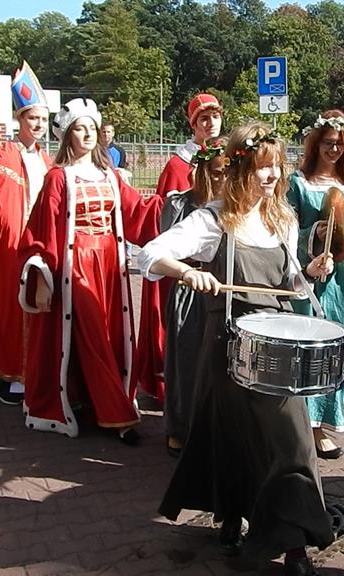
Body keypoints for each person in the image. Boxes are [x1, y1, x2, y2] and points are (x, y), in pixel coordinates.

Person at [145, 122, 336, 576]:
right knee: (227, 434)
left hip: (277, 345)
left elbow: (291, 286)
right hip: (227, 343)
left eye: (277, 166)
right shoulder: (214, 219)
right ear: (240, 167)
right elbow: (149, 254)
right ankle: (230, 514)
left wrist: (310, 272)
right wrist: (187, 271)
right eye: (262, 166)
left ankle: (294, 544)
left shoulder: (282, 219)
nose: (272, 176)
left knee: (293, 441)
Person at [17, 97, 162, 443]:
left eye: (92, 128)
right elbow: (41, 229)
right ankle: (117, 415)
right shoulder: (58, 178)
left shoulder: (110, 176)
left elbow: (138, 212)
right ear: (68, 135)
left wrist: (180, 201)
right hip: (76, 266)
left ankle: (91, 400)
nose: (87, 134)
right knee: (94, 335)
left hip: (110, 266)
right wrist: (42, 276)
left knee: (111, 336)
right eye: (79, 129)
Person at [0, 61, 51, 405]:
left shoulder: (46, 159)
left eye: (44, 119)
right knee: (11, 310)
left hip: (38, 245)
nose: (39, 125)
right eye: (33, 118)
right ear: (19, 119)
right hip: (12, 247)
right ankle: (7, 378)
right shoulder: (4, 155)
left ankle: (32, 373)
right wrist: (20, 239)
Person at [134, 93, 224, 405]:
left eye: (215, 116)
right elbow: (169, 219)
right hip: (186, 264)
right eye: (203, 118)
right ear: (193, 125)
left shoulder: (229, 156)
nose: (210, 123)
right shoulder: (177, 166)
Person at [286, 110, 344, 460]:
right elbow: (285, 230)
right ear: (316, 144)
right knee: (308, 349)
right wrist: (314, 234)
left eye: (339, 145)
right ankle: (307, 425)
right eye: (328, 143)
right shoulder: (298, 184)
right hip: (309, 277)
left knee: (342, 350)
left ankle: (326, 418)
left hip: (342, 280)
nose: (333, 150)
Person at [161, 138, 227, 457]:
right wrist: (189, 271)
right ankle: (180, 427)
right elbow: (165, 252)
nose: (222, 179)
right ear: (203, 171)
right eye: (216, 172)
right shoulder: (181, 204)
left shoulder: (235, 207)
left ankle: (211, 428)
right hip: (190, 292)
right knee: (187, 361)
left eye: (228, 172)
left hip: (221, 291)